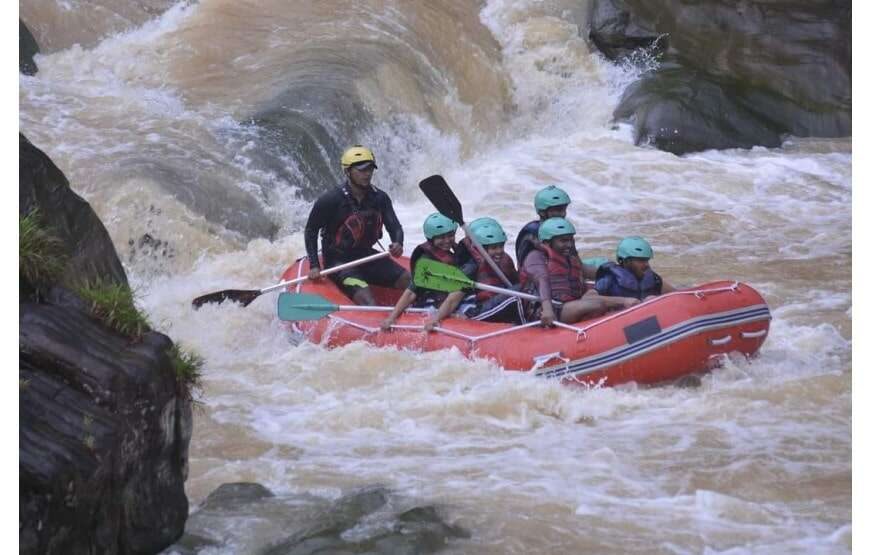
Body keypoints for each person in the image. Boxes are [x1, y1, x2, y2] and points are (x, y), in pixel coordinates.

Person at [304, 145, 410, 306]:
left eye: (370, 169)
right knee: (368, 302)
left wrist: (398, 243)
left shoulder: (380, 198)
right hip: (340, 262)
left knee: (410, 282)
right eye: (361, 170)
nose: (367, 174)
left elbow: (395, 226)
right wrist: (314, 265)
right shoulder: (331, 200)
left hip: (368, 256)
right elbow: (311, 231)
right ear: (348, 172)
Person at [520, 218, 638, 326]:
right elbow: (542, 280)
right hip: (547, 309)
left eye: (571, 240)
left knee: (593, 293)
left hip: (569, 304)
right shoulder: (535, 257)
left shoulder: (570, 259)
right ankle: (624, 302)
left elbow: (578, 284)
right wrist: (547, 309)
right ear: (547, 243)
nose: (569, 245)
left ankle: (627, 304)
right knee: (596, 305)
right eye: (563, 241)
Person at [436, 217, 526, 325]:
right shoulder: (472, 266)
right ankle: (526, 326)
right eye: (493, 248)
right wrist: (435, 320)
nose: (499, 251)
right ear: (480, 248)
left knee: (525, 288)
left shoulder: (505, 259)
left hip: (496, 303)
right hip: (477, 312)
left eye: (501, 246)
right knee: (518, 293)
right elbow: (452, 300)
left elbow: (516, 282)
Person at [380, 213, 462, 331]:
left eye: (450, 235)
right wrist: (391, 318)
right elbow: (411, 292)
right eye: (441, 237)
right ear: (431, 239)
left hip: (449, 299)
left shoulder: (453, 252)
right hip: (432, 302)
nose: (447, 240)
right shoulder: (426, 262)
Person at [595, 236, 676, 300]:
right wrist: (622, 302)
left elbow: (676, 294)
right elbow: (594, 300)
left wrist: (657, 300)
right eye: (640, 260)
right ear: (624, 261)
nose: (646, 265)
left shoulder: (654, 279)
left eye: (647, 260)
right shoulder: (609, 280)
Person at [515, 185, 571, 267]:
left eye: (564, 210)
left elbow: (576, 263)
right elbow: (527, 268)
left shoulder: (564, 232)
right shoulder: (532, 234)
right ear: (542, 212)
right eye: (558, 210)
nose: (563, 214)